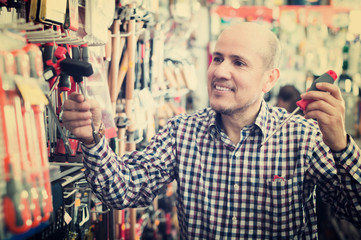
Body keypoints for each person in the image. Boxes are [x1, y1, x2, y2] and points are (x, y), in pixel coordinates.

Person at [62, 22, 361, 239]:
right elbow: (123, 190)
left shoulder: (303, 137)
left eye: (239, 63)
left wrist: (341, 146)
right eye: (217, 58)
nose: (219, 71)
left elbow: (356, 213)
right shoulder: (182, 132)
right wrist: (93, 137)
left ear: (268, 79)